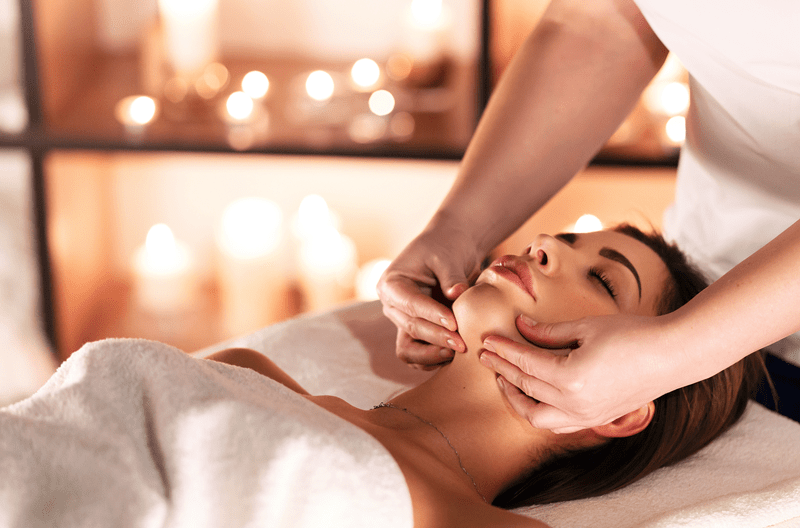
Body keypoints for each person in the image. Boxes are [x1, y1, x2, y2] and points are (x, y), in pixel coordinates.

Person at [377, 0, 800, 430]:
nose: (540, 243)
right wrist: (456, 228)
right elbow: (598, 22)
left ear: (622, 417)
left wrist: (677, 351)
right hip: (709, 291)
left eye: (602, 279)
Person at [211, 225, 764, 526]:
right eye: (566, 240)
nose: (543, 243)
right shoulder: (246, 372)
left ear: (621, 408)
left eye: (602, 279)